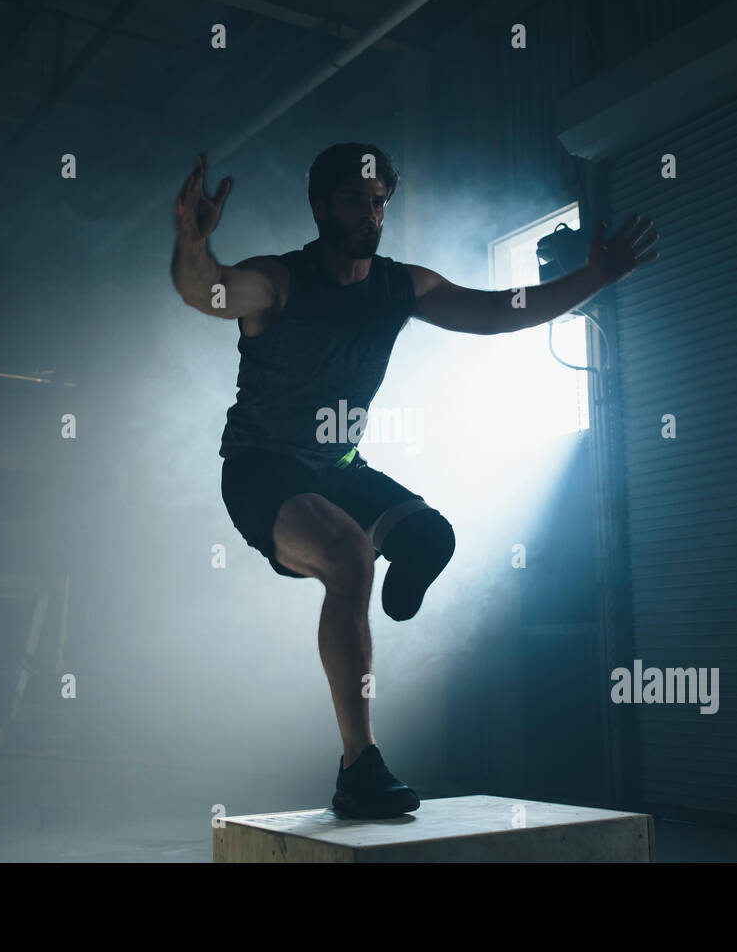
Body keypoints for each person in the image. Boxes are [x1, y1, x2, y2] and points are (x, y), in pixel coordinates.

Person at [171, 142, 657, 818]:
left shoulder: (402, 286)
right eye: (354, 201)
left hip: (341, 470)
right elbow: (208, 291)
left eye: (378, 203)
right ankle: (357, 767)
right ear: (320, 206)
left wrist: (593, 279)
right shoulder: (279, 280)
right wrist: (191, 242)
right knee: (348, 554)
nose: (369, 214)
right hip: (262, 469)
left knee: (432, 537)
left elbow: (497, 311)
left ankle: (379, 575)